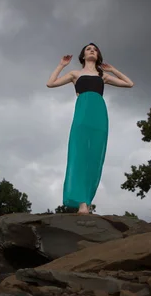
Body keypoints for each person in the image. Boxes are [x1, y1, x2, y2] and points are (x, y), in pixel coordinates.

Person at [46, 43, 134, 214]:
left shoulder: (103, 77)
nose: (92, 50)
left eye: (95, 49)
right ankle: (81, 204)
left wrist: (112, 69)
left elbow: (129, 83)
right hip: (82, 115)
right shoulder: (75, 74)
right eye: (88, 49)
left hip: (99, 116)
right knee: (78, 154)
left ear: (98, 55)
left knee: (95, 156)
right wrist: (62, 65)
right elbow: (50, 83)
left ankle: (86, 201)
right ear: (83, 55)